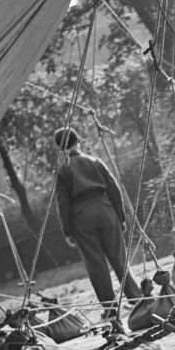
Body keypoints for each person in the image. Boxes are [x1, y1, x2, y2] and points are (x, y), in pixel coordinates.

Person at [54, 127, 140, 316]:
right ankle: (136, 298)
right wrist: (121, 216)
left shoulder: (63, 171)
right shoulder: (95, 161)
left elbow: (63, 203)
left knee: (96, 264)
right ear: (79, 141)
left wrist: (67, 231)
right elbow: (113, 188)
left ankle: (110, 309)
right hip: (105, 210)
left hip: (81, 217)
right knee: (119, 258)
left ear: (60, 148)